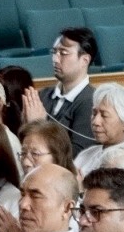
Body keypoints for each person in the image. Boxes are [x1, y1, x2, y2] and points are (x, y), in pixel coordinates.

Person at [20, 27, 96, 158]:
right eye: (54, 52)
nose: (55, 59)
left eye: (63, 53)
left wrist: (39, 126)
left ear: (85, 60)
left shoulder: (90, 101)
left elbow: (78, 155)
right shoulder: (42, 95)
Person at [74, 82, 124, 189]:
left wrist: (80, 189)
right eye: (94, 113)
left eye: (104, 115)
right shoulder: (88, 153)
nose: (96, 121)